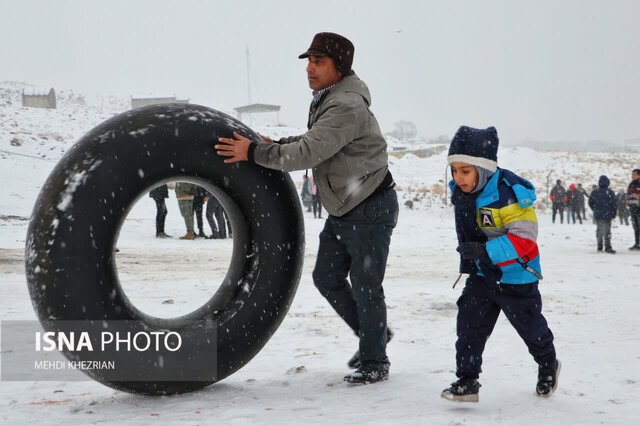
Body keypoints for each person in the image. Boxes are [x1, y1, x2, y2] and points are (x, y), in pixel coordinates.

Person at [215, 32, 398, 385]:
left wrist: (253, 153)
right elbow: (318, 142)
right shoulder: (330, 97)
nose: (310, 69)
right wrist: (278, 144)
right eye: (309, 62)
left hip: (368, 205)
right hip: (346, 205)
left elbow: (310, 154)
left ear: (339, 67)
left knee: (365, 286)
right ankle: (373, 334)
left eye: (319, 62)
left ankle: (375, 360)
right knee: (327, 277)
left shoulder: (346, 105)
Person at [442, 126, 559, 402]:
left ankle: (547, 364)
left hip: (516, 276)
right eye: (454, 170)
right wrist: (477, 258)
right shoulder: (463, 193)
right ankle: (467, 381)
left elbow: (525, 239)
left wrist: (483, 251)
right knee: (469, 324)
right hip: (483, 276)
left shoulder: (509, 194)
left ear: (482, 169)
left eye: (465, 171)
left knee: (531, 328)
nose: (458, 177)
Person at [588, 175, 617, 253]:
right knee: (607, 231)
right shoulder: (610, 192)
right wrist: (613, 213)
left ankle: (599, 246)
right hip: (607, 215)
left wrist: (595, 209)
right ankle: (608, 247)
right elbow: (614, 204)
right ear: (608, 183)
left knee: (599, 230)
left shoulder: (594, 192)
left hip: (598, 214)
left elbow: (590, 202)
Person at [626, 168, 640, 250]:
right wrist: (630, 197)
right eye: (632, 174)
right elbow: (627, 195)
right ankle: (637, 244)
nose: (632, 176)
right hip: (632, 208)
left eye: (634, 174)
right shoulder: (631, 184)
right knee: (636, 227)